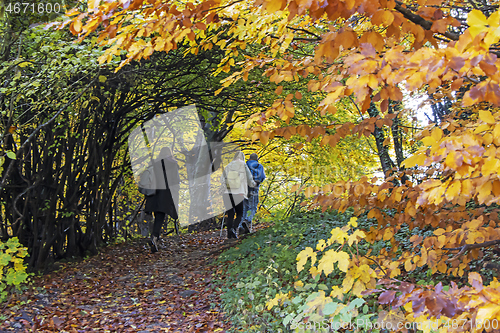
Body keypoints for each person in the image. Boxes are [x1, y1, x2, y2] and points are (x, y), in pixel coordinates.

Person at [144, 147, 180, 253]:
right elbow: (176, 180)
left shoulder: (154, 163)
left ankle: (155, 237)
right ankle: (155, 237)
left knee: (157, 216)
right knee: (160, 216)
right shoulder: (173, 164)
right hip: (165, 194)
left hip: (153, 193)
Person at [221, 151, 256, 239]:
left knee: (230, 214)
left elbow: (222, 179)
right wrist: (253, 184)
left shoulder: (229, 165)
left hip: (227, 193)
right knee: (240, 213)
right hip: (239, 193)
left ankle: (229, 234)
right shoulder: (243, 165)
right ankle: (234, 229)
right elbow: (249, 178)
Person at [240, 153, 265, 234]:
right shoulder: (259, 166)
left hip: (244, 188)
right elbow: (262, 177)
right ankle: (247, 220)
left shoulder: (244, 165)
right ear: (256, 159)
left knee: (244, 207)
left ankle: (241, 226)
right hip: (254, 188)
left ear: (250, 159)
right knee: (253, 206)